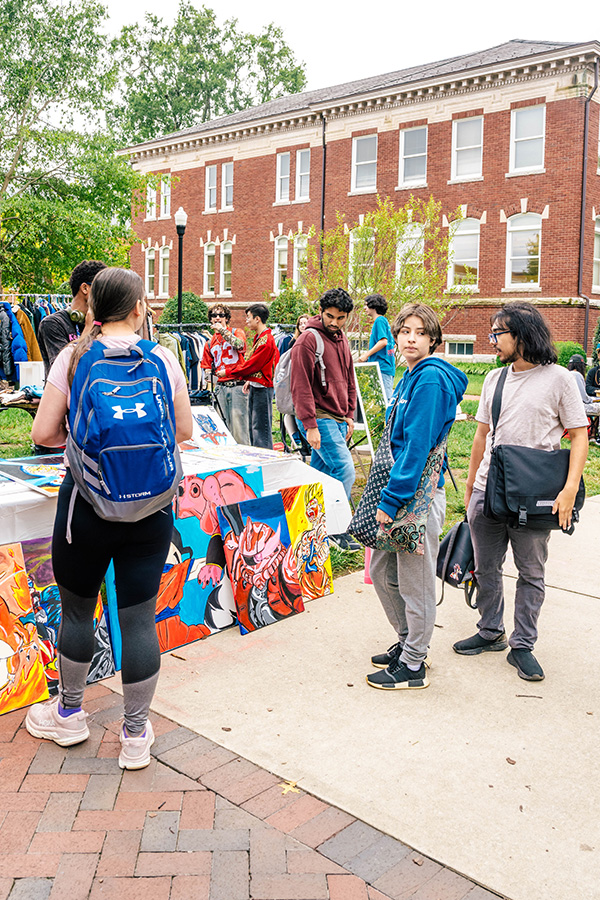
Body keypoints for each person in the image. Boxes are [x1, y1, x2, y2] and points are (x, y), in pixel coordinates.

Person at [26, 268, 193, 769]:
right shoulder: (163, 358)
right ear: (140, 307)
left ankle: (70, 715)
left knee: (78, 610)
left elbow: (43, 432)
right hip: (151, 510)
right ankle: (136, 735)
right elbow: (182, 429)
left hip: (87, 508)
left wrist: (81, 445)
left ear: (91, 307)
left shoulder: (73, 358)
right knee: (139, 618)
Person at [453, 302, 588, 682]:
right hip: (488, 491)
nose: (492, 339)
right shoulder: (495, 380)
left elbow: (579, 435)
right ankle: (489, 630)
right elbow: (481, 435)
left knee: (531, 571)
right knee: (487, 567)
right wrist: (469, 488)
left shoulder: (559, 378)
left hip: (533, 495)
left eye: (498, 333)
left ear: (522, 335)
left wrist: (569, 489)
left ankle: (523, 644)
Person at [366, 303, 468, 690]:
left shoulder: (429, 381)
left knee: (414, 581)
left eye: (420, 332)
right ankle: (409, 641)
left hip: (417, 497)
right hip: (403, 492)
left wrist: (390, 501)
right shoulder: (411, 376)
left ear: (433, 340)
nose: (411, 338)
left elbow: (417, 447)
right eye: (404, 331)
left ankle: (414, 665)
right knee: (381, 571)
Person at [291, 287, 359, 552]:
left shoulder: (342, 339)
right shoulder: (308, 339)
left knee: (319, 476)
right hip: (319, 418)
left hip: (339, 417)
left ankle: (309, 528)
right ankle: (336, 528)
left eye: (340, 318)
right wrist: (309, 425)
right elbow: (300, 386)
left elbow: (349, 379)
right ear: (321, 312)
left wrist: (350, 415)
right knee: (345, 469)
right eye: (329, 316)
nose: (334, 322)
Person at [217, 303, 278, 449]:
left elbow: (251, 365)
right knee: (255, 427)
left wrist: (228, 372)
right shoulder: (261, 337)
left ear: (257, 319)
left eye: (248, 317)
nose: (246, 321)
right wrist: (251, 380)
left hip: (263, 388)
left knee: (260, 429)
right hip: (259, 385)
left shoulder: (266, 341)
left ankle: (264, 461)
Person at [38, 260, 107, 378]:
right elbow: (64, 371)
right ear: (85, 288)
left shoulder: (103, 322)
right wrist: (88, 330)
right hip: (65, 395)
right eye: (103, 288)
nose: (107, 293)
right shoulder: (52, 324)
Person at [201, 303, 249, 444]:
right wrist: (212, 377)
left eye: (221, 315)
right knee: (222, 429)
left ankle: (244, 461)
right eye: (214, 315)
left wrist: (222, 331)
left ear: (227, 318)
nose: (217, 318)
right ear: (210, 319)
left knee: (239, 428)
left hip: (237, 386)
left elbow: (240, 346)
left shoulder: (236, 332)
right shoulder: (209, 343)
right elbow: (206, 369)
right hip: (220, 388)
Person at [358, 294, 396, 400]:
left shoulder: (379, 321)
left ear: (373, 306)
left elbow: (383, 342)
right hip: (385, 367)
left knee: (384, 400)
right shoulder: (384, 321)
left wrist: (366, 355)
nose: (364, 308)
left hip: (382, 367)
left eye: (366, 305)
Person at [567, 354, 600, 442]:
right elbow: (584, 398)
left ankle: (594, 434)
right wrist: (593, 399)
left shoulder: (566, 374)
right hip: (578, 408)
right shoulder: (577, 375)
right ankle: (597, 435)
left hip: (568, 407)